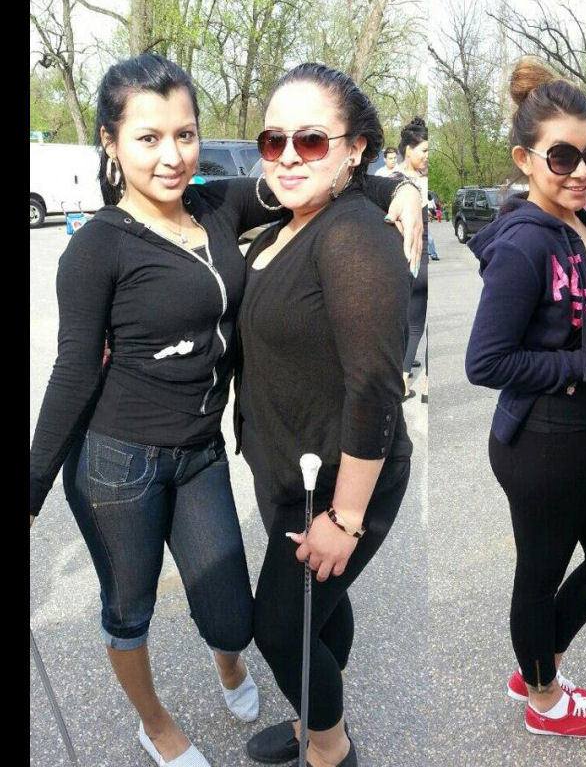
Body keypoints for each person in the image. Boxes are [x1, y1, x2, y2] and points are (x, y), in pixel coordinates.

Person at [28, 54, 422, 767]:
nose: (171, 156)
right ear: (110, 143)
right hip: (119, 460)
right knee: (130, 609)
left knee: (242, 621)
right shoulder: (95, 249)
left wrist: (404, 190)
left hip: (205, 455)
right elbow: (72, 372)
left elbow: (322, 173)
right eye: (148, 138)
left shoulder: (217, 207)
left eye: (185, 134)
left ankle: (306, 722)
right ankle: (160, 725)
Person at [465, 58, 586, 739]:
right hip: (541, 443)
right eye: (562, 157)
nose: (582, 171)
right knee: (542, 574)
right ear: (524, 159)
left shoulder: (577, 222)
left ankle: (537, 661)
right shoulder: (526, 242)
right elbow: (485, 361)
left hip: (576, 434)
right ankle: (545, 699)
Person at [238, 63, 414, 767]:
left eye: (310, 140)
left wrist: (345, 518)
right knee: (321, 611)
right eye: (272, 139)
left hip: (341, 480)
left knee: (280, 629)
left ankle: (330, 748)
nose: (287, 156)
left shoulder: (353, 236)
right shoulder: (282, 224)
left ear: (354, 148)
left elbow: (374, 386)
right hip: (288, 472)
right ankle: (312, 718)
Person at [393, 117, 430, 398]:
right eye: (425, 151)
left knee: (403, 322)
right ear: (409, 150)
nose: (428, 157)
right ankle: (408, 382)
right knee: (415, 324)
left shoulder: (386, 178)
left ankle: (401, 380)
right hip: (414, 262)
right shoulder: (419, 184)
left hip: (403, 262)